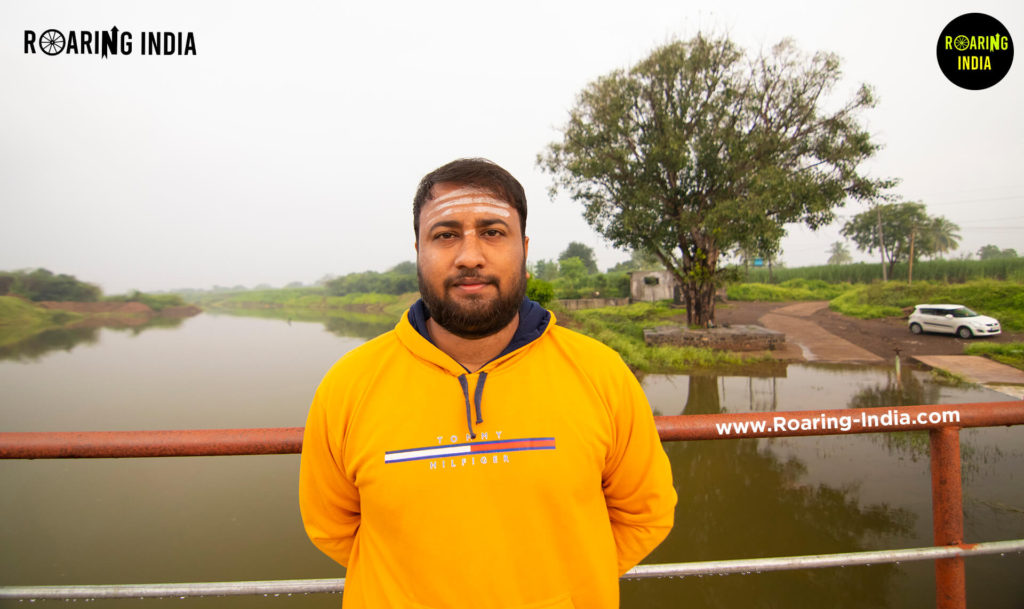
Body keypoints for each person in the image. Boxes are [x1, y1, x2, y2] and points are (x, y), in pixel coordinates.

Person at [299, 158, 676, 609]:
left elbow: (645, 514)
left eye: (493, 232)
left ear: (525, 249)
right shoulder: (349, 384)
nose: (470, 256)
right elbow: (332, 527)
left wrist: (562, 588)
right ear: (418, 249)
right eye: (446, 234)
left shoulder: (601, 373)